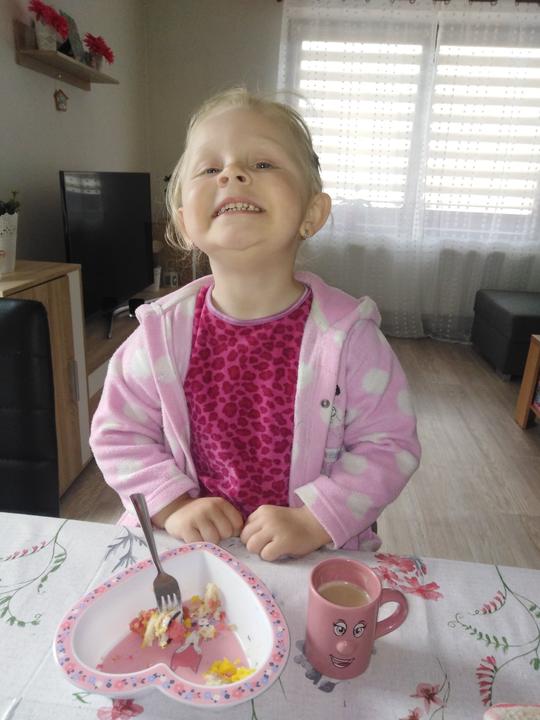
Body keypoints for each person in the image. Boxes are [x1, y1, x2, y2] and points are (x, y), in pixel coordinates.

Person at [90, 87, 421, 562]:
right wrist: (174, 506)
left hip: (312, 554)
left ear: (311, 214)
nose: (232, 173)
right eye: (210, 169)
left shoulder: (348, 338)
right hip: (189, 552)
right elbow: (118, 434)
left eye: (263, 163)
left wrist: (314, 519)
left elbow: (388, 445)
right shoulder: (159, 336)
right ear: (184, 223)